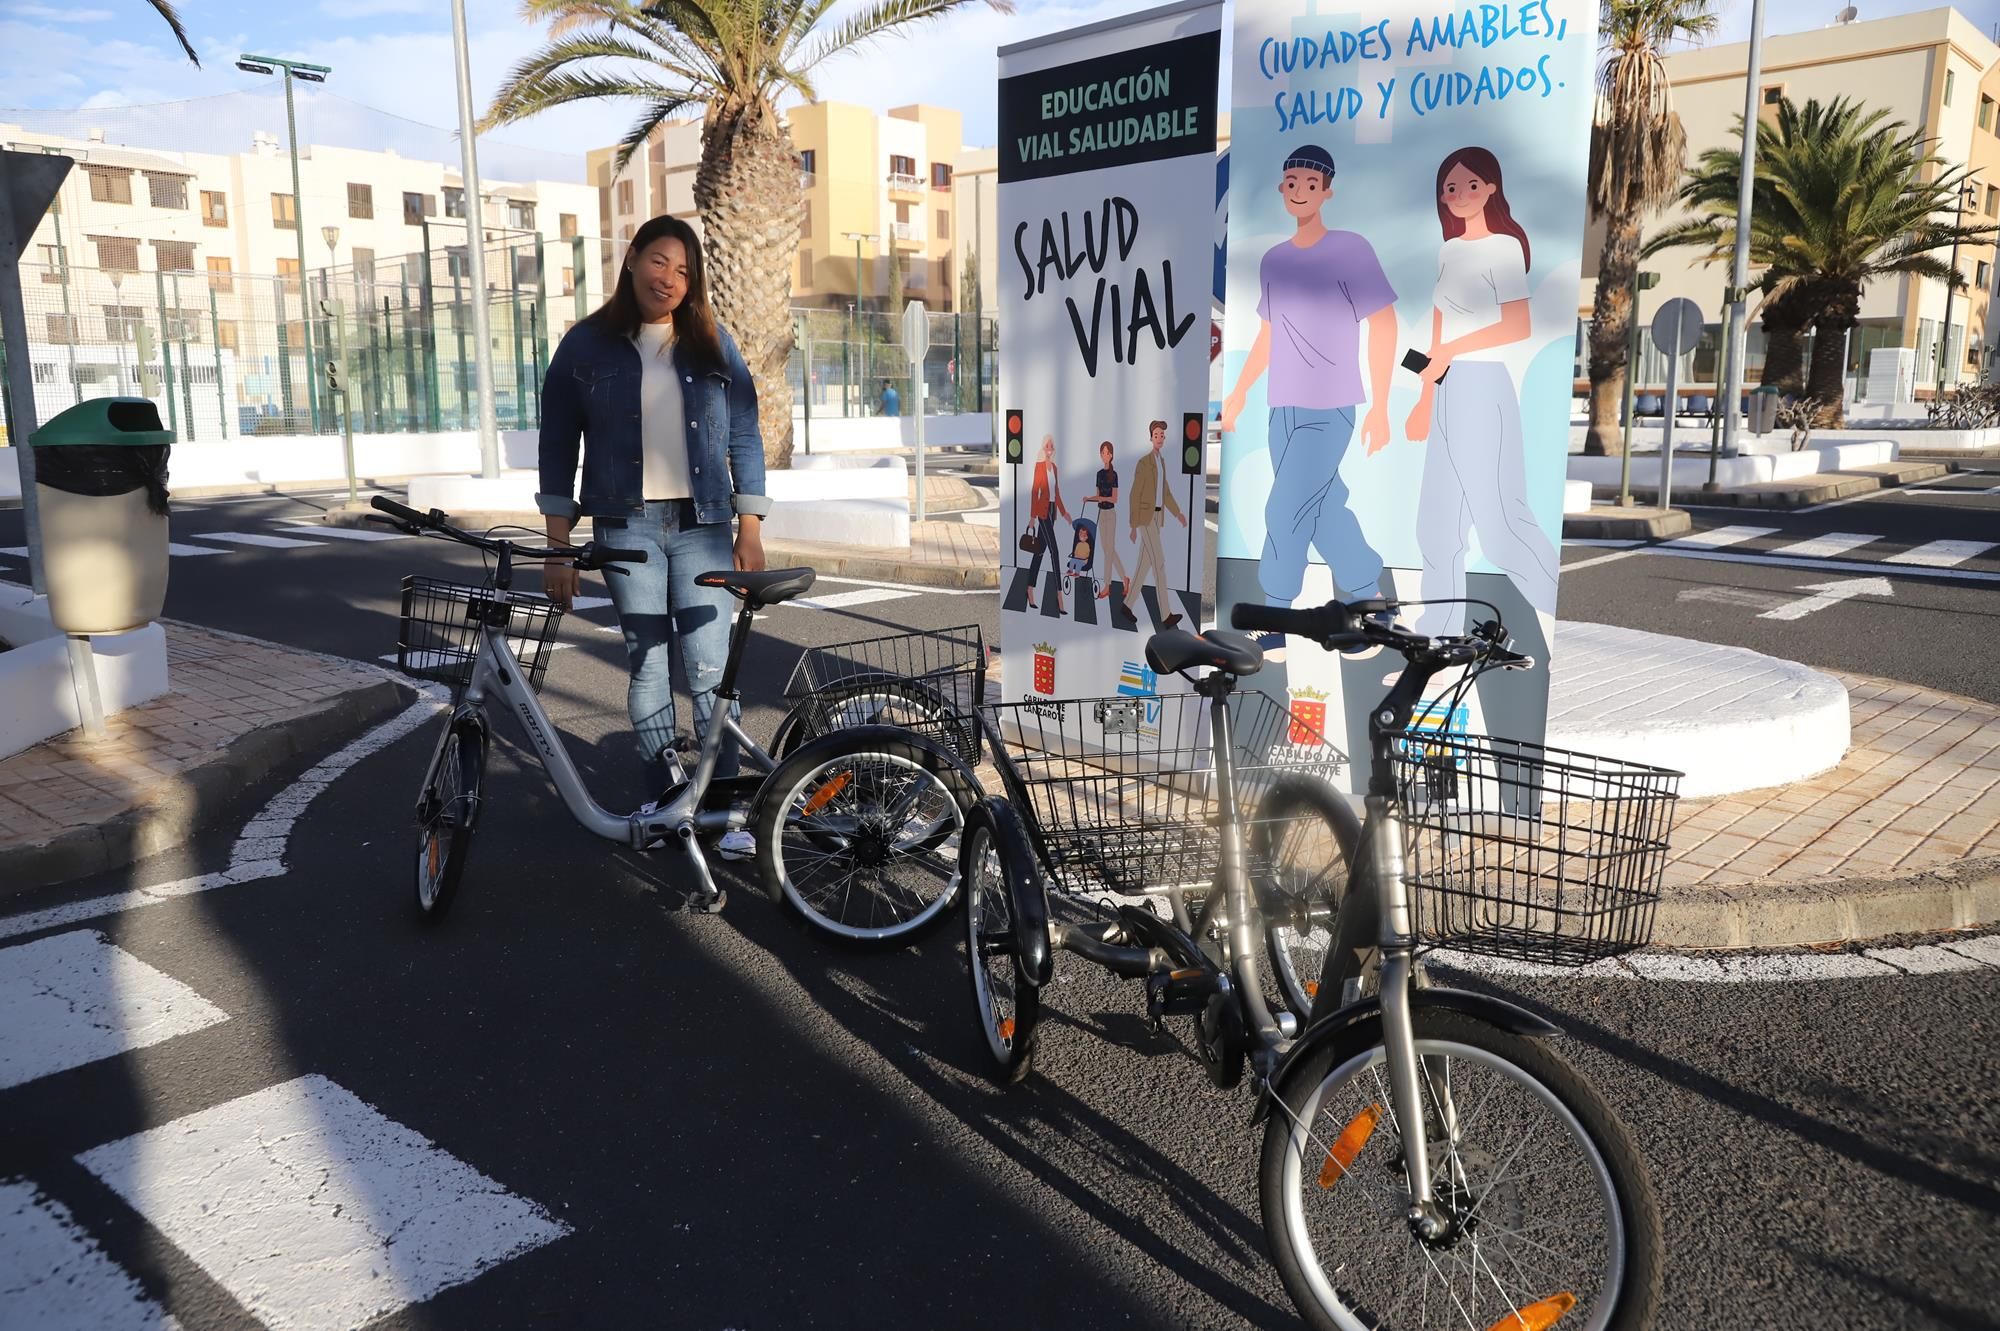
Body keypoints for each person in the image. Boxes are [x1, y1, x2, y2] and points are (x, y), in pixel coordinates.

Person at [537, 214, 770, 858]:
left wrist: (749, 522)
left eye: (685, 271)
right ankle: (667, 804)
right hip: (627, 525)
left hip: (703, 525)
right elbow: (557, 448)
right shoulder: (584, 346)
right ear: (633, 259)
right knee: (648, 661)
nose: (670, 279)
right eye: (660, 262)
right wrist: (559, 548)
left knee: (708, 668)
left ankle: (720, 811)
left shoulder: (712, 344)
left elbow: (745, 434)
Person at [1220, 144, 1396, 611]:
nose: (1300, 191)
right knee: (1320, 508)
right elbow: (1269, 333)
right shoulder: (1274, 260)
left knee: (1285, 508)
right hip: (1282, 409)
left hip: (1330, 406)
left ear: (1327, 191)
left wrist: (1380, 405)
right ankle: (1370, 599)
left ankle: (1274, 611)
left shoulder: (1350, 249)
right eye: (1292, 183)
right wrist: (1238, 393)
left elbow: (1384, 321)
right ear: (1282, 188)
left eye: (1311, 184)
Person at [1404, 146, 1559, 631]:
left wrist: (1452, 352)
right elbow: (1437, 329)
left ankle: (1554, 607)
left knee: (1500, 527)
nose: (1459, 194)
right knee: (1436, 524)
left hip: (1482, 383)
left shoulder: (1504, 247)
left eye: (1471, 184)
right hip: (1448, 388)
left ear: (1491, 187)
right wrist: (1424, 399)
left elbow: (1517, 324)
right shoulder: (1450, 250)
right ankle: (1439, 632)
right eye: (1450, 188)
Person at [1124, 420, 1186, 629]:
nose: (1160, 438)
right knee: (1159, 564)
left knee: (1144, 565)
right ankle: (1166, 614)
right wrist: (1133, 525)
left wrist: (1178, 514)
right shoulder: (1144, 463)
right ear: (1150, 437)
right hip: (1145, 519)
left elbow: (1165, 493)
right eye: (1156, 434)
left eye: (1162, 435)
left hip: (1158, 518)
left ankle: (1127, 605)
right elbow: (1134, 494)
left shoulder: (1161, 462)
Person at [1021, 434, 1070, 614]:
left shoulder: (1054, 468)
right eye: (1047, 445)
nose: (1049, 448)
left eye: (1052, 446)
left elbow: (1056, 493)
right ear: (1043, 448)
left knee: (1039, 552)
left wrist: (1064, 513)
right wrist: (1032, 516)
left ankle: (1029, 588)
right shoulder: (1039, 467)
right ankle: (1059, 596)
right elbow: (1035, 492)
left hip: (1052, 511)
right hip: (1042, 512)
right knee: (1054, 551)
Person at [1087, 440, 1129, 600]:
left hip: (1110, 514)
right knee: (1108, 551)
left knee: (1108, 552)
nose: (1105, 455)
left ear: (1111, 455)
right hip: (1101, 513)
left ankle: (1107, 586)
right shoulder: (1099, 474)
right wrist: (1089, 498)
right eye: (1103, 452)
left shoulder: (1114, 475)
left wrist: (1101, 497)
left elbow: (1114, 499)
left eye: (1108, 452)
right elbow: (1098, 497)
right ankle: (1125, 579)